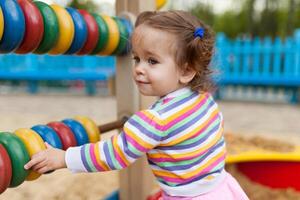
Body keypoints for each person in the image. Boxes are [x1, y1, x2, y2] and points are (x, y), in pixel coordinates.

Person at [24, 10, 249, 200]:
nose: (140, 68)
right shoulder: (204, 98)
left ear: (186, 70)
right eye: (136, 58)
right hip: (220, 189)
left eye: (152, 61)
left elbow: (114, 153)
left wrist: (64, 158)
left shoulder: (154, 121)